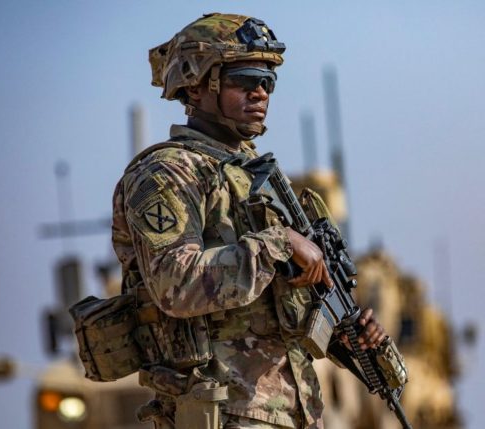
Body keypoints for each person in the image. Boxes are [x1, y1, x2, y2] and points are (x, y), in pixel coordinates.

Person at [110, 13, 387, 429]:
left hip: (292, 415)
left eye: (267, 83)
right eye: (245, 79)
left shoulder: (254, 178)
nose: (260, 92)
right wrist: (279, 244)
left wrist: (346, 339)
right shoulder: (167, 174)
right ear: (197, 84)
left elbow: (282, 313)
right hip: (219, 412)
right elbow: (173, 283)